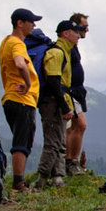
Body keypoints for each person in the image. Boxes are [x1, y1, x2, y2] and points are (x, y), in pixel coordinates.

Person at [0, 8, 43, 193]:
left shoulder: (5, 43)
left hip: (10, 97)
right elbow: (19, 63)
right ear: (20, 23)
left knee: (22, 139)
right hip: (22, 99)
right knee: (22, 141)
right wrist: (27, 83)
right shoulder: (17, 43)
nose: (34, 25)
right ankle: (18, 183)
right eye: (31, 21)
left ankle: (19, 181)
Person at [35, 20, 81, 186]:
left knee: (60, 140)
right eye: (75, 32)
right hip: (52, 102)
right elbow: (54, 82)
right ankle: (41, 179)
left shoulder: (65, 52)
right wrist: (64, 106)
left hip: (58, 101)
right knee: (53, 142)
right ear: (66, 33)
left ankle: (57, 176)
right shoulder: (57, 53)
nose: (78, 36)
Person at [64, 12, 90, 175]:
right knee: (79, 125)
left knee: (75, 126)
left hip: (77, 91)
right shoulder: (68, 46)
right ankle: (70, 161)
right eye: (84, 26)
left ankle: (71, 161)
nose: (87, 30)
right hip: (71, 91)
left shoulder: (74, 46)